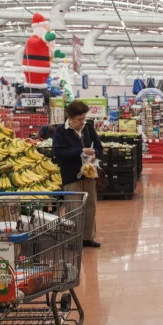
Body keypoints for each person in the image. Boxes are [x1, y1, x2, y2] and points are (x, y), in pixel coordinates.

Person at [52, 101, 103, 248]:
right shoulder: (61, 131)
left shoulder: (88, 128)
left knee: (90, 206)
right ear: (70, 117)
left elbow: (99, 146)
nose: (82, 122)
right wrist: (81, 152)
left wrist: (95, 155)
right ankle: (73, 240)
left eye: (83, 119)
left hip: (89, 174)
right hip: (71, 175)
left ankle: (88, 237)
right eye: (79, 120)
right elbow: (58, 153)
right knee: (73, 207)